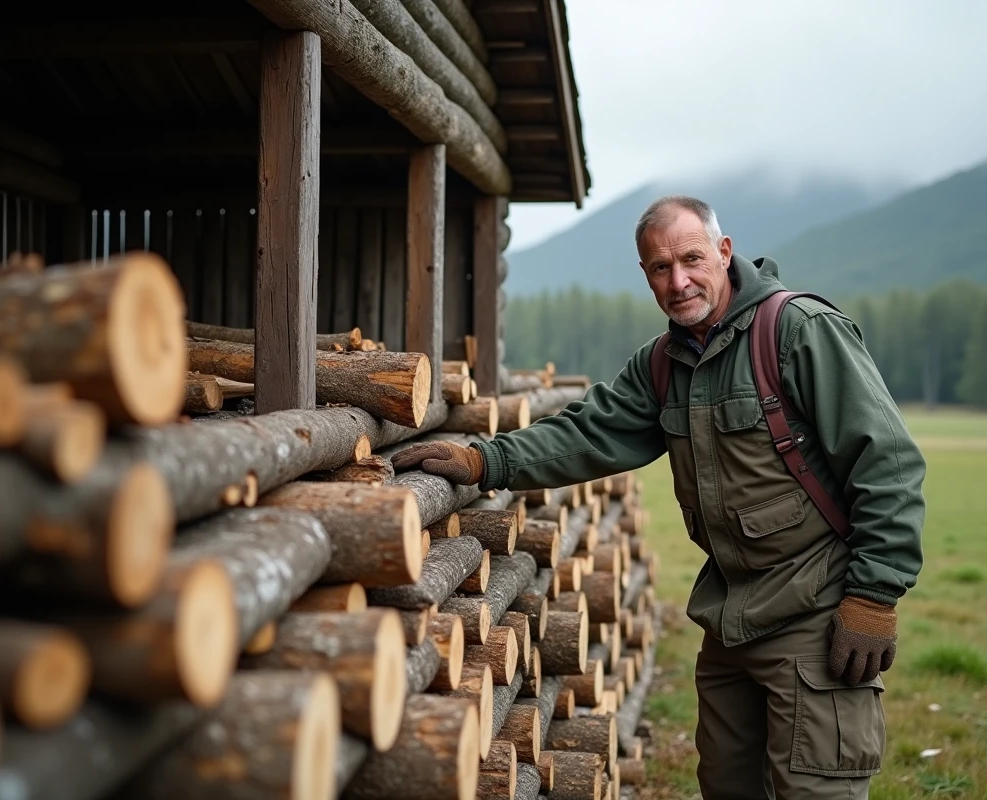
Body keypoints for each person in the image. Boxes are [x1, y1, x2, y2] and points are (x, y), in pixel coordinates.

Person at [392, 195, 926, 800]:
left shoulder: (797, 331)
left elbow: (889, 461)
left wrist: (874, 596)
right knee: (726, 785)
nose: (679, 281)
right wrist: (485, 459)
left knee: (815, 791)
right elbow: (589, 432)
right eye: (659, 269)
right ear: (645, 276)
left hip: (816, 614)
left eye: (691, 259)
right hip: (730, 621)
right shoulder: (666, 364)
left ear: (724, 253)